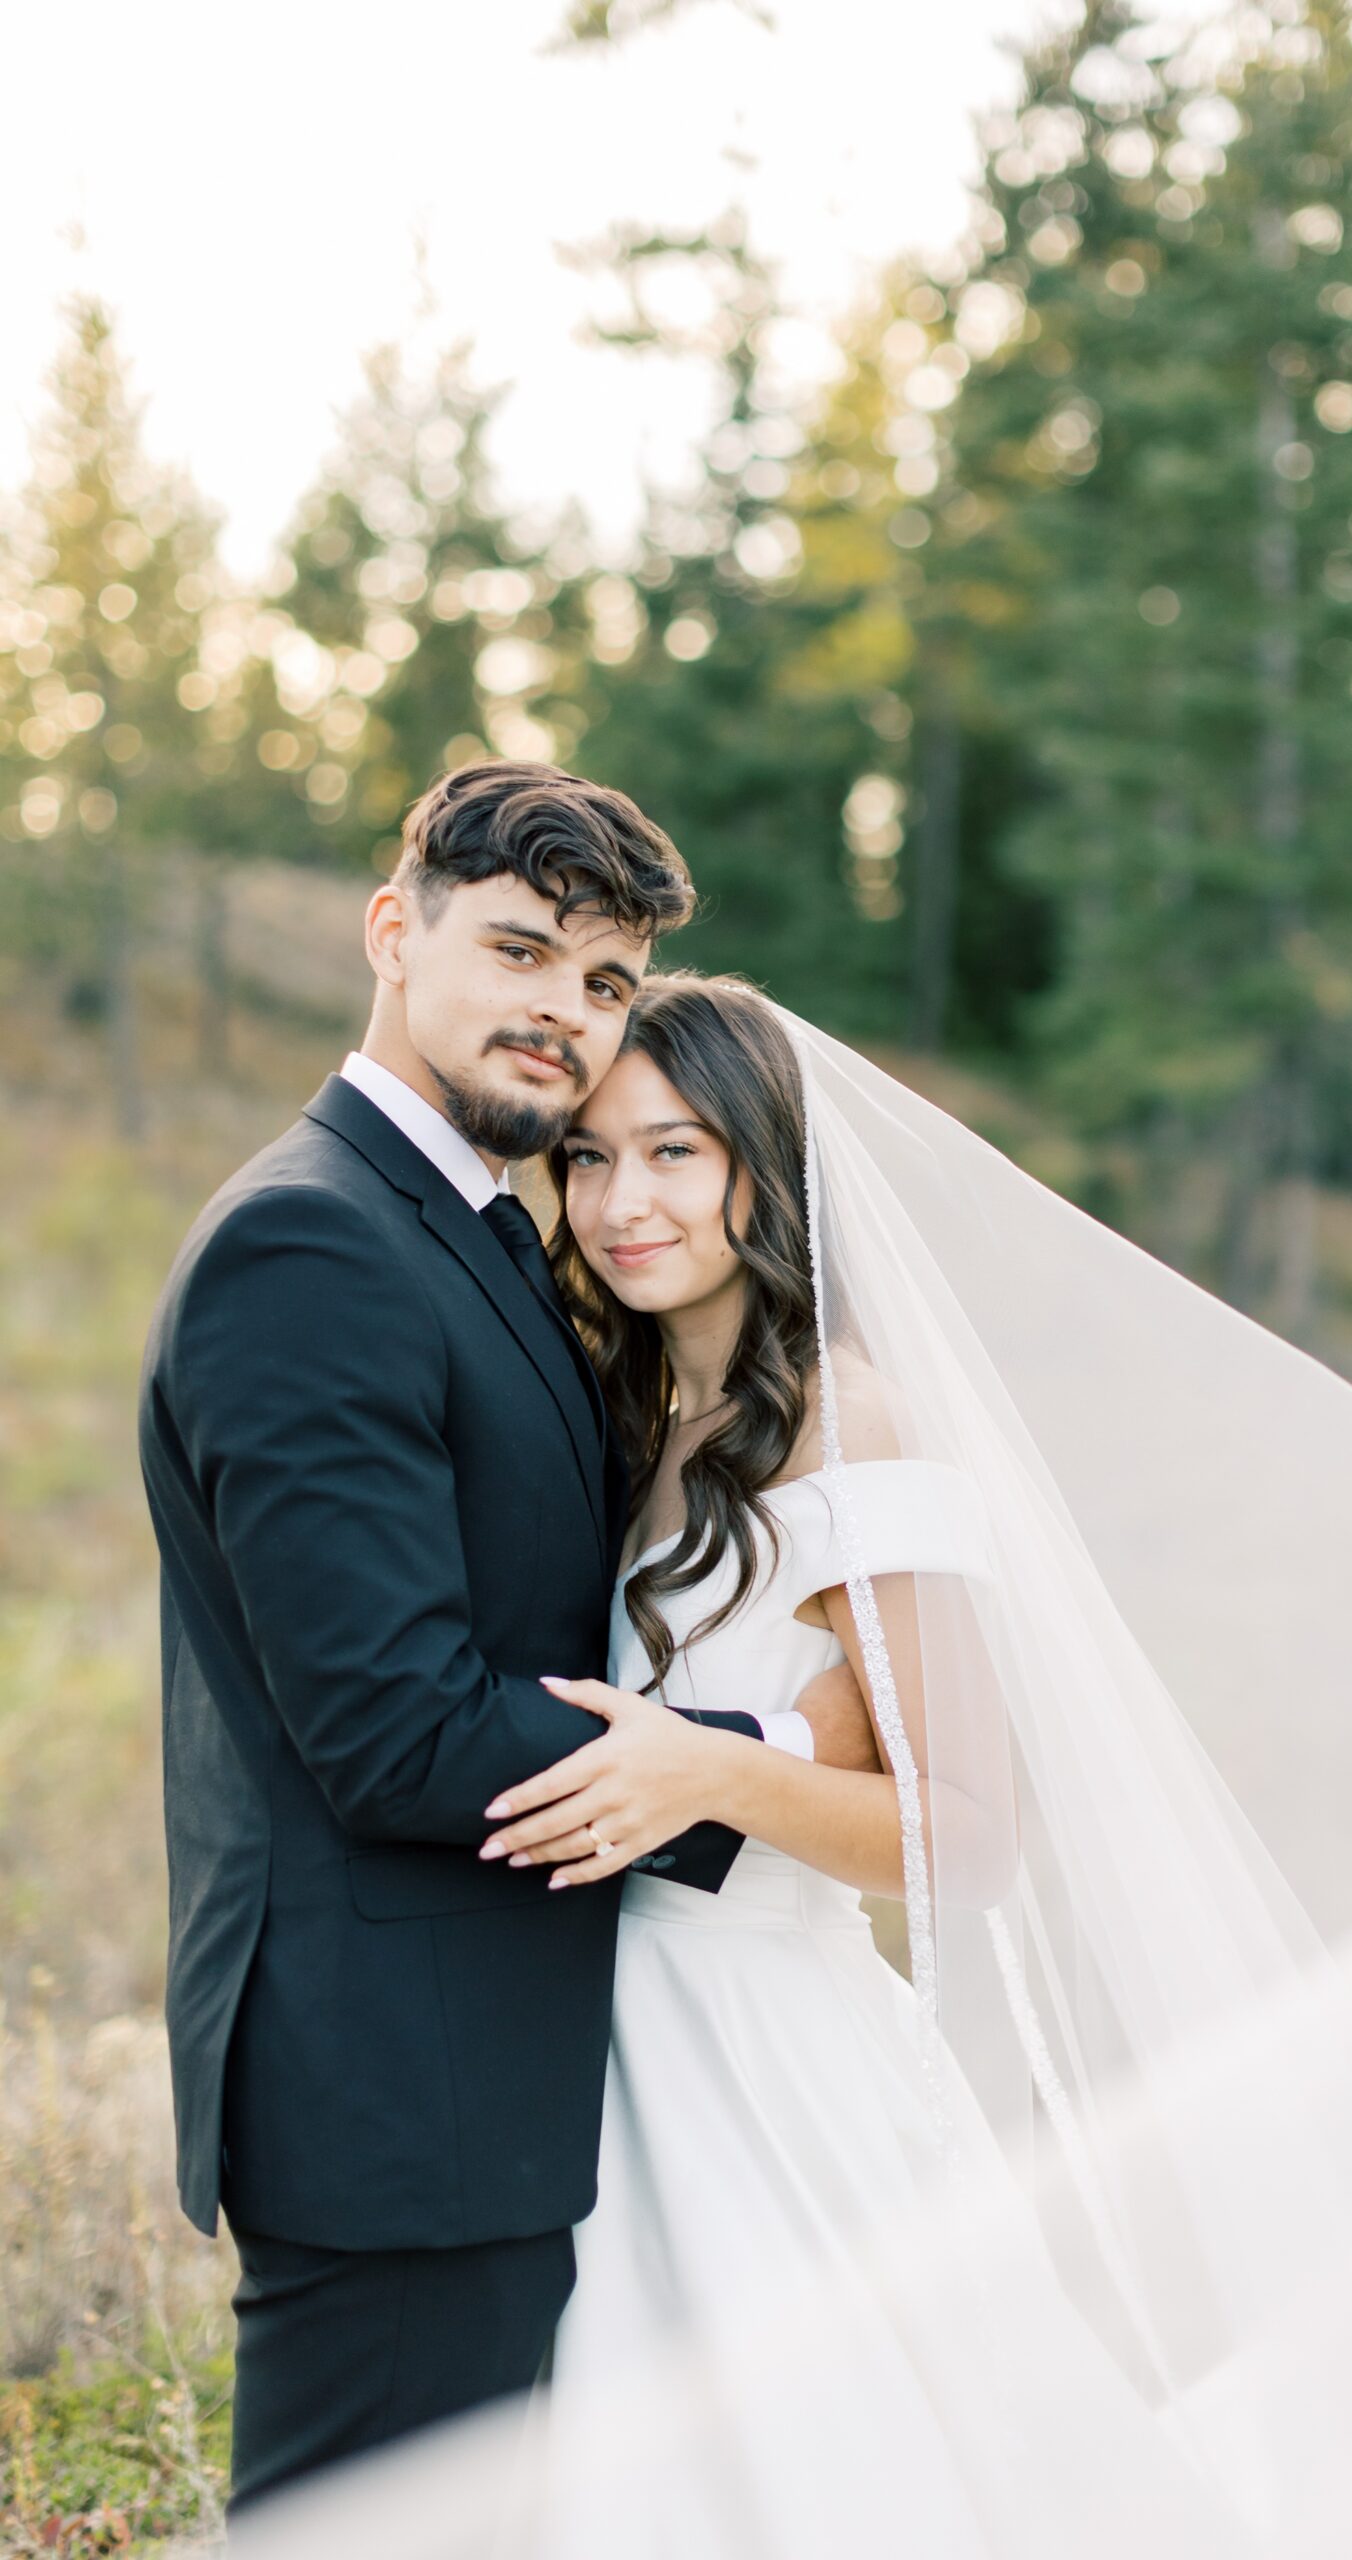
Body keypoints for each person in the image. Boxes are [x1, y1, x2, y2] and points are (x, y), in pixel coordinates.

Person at [456, 969, 1352, 2560]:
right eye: (590, 1157)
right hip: (608, 2046)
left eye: (676, 1153)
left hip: (767, 2055)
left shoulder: (854, 1424)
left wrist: (705, 1777)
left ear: (763, 1169)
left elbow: (970, 1831)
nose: (624, 1200)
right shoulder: (633, 1420)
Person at [137, 765, 873, 2514]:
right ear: (395, 934)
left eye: (605, 983)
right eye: (523, 951)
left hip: (523, 2071)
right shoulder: (313, 1245)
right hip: (399, 2083)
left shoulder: (479, 1239)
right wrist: (747, 1772)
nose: (564, 1012)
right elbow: (393, 1728)